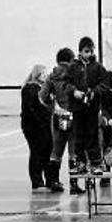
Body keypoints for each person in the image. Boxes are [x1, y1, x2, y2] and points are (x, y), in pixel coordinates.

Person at [65, 37, 107, 176]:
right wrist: (74, 91)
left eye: (91, 51)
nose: (89, 54)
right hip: (78, 108)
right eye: (86, 51)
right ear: (80, 52)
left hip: (92, 108)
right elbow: (66, 84)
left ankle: (95, 163)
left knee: (92, 135)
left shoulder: (98, 67)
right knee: (79, 136)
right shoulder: (73, 67)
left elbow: (104, 84)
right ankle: (81, 162)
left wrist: (95, 92)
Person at [39, 48, 77, 193]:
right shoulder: (75, 74)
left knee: (56, 151)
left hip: (58, 116)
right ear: (71, 59)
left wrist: (52, 105)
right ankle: (74, 184)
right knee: (74, 152)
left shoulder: (51, 76)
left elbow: (42, 96)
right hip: (74, 115)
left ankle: (54, 181)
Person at [21, 65, 53, 189]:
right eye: (43, 73)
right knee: (36, 151)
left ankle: (48, 179)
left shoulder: (43, 88)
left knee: (46, 151)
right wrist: (40, 121)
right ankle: (36, 180)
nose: (45, 75)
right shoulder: (30, 89)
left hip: (43, 124)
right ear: (37, 74)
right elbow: (30, 109)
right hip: (33, 126)